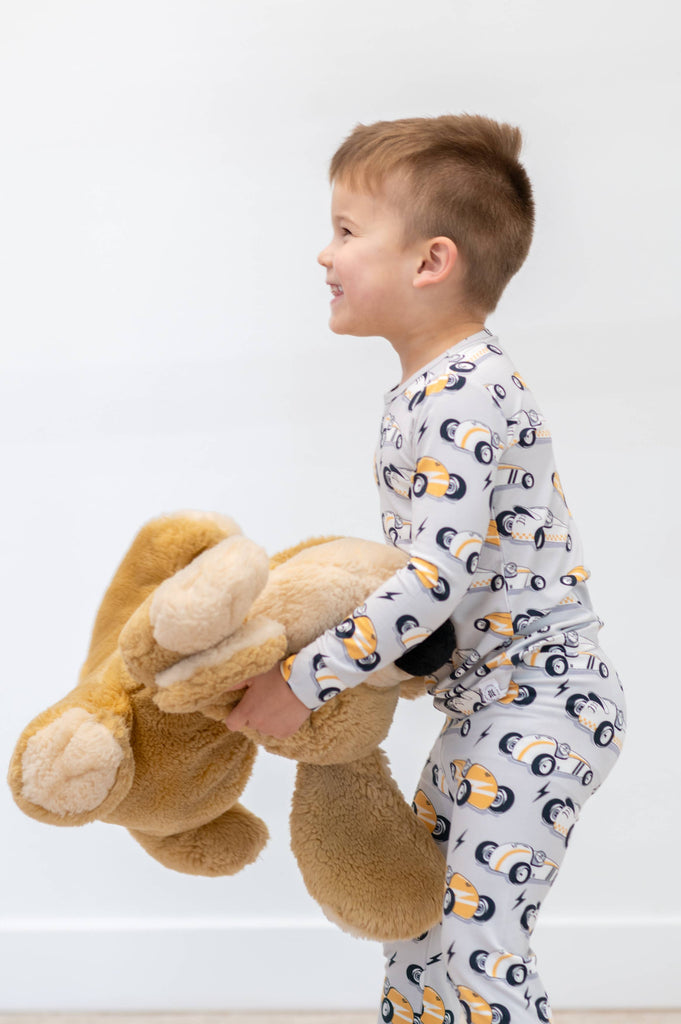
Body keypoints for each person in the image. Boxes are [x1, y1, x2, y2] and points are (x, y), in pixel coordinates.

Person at [225, 114, 625, 1024]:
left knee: (481, 945)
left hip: (541, 703)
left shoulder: (462, 390)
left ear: (431, 262)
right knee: (420, 927)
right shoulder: (429, 388)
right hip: (488, 709)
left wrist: (303, 683)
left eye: (346, 230)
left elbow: (431, 583)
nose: (323, 254)